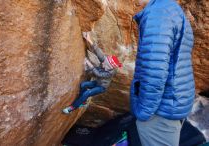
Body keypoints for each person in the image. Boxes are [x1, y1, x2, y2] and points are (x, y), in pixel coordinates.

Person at [130, 0, 195, 146]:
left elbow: (154, 73)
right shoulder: (172, 10)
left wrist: (143, 113)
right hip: (172, 103)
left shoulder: (159, 12)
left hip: (160, 111)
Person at [62, 33, 122, 114]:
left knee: (87, 93)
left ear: (109, 67)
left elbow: (98, 74)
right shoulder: (105, 62)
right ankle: (82, 102)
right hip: (97, 82)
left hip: (101, 87)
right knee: (83, 85)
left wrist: (90, 65)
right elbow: (98, 51)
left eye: (105, 63)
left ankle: (72, 108)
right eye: (104, 61)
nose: (103, 62)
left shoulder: (110, 73)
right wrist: (89, 39)